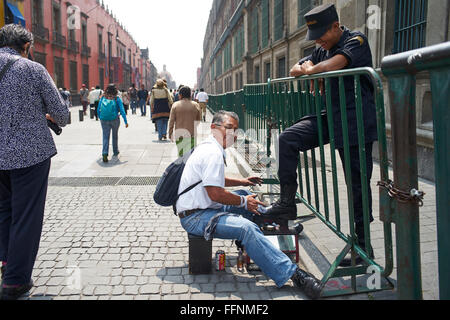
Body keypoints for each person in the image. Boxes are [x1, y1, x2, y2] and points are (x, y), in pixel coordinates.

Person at [264, 4, 378, 267]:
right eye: (314, 38)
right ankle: (287, 204)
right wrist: (312, 69)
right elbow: (295, 68)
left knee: (357, 185)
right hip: (332, 116)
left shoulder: (356, 40)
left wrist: (314, 71)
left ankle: (363, 247)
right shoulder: (321, 48)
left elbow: (337, 63)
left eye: (321, 35)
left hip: (356, 121)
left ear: (336, 26)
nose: (318, 42)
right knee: (287, 139)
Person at [177, 111, 323, 300]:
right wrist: (244, 202)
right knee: (246, 227)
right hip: (195, 217)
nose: (233, 134)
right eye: (228, 128)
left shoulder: (209, 147)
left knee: (246, 195)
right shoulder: (212, 152)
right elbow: (215, 192)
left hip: (204, 207)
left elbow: (214, 180)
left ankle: (276, 226)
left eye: (236, 130)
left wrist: (243, 182)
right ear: (214, 128)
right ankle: (294, 274)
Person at [0, 24, 70, 300]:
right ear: (26, 46)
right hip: (30, 154)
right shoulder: (32, 69)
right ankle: (15, 281)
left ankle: (8, 264)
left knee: (4, 210)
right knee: (26, 214)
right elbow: (62, 115)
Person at [98, 84, 129, 163]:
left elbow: (98, 109)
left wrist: (100, 117)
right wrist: (125, 121)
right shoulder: (117, 98)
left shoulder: (103, 97)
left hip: (104, 119)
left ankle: (105, 153)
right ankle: (115, 151)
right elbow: (122, 110)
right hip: (115, 119)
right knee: (115, 135)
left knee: (105, 136)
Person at [168, 86, 201, 156]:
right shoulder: (196, 105)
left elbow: (171, 121)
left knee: (181, 155)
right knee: (191, 156)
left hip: (179, 134)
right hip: (192, 134)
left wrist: (170, 133)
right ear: (190, 95)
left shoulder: (175, 105)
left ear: (180, 95)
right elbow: (198, 120)